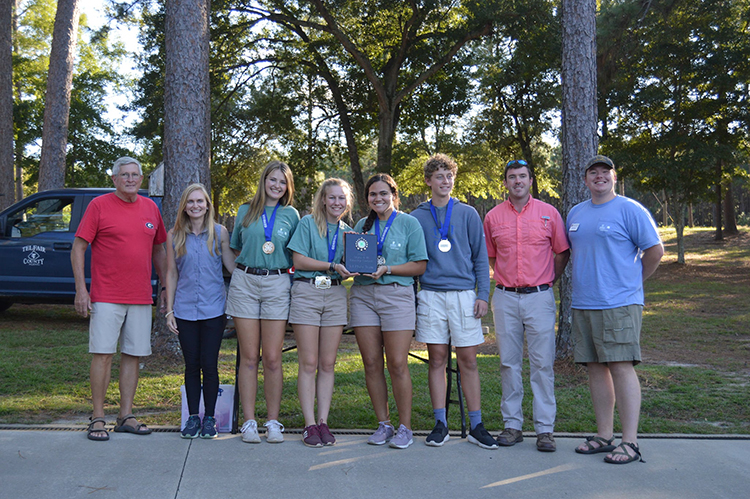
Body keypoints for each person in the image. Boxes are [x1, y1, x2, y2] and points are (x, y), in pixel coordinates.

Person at [568, 155, 663, 464]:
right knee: (595, 368)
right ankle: (605, 436)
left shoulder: (630, 209)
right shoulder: (575, 213)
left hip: (619, 304)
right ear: (585, 180)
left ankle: (630, 442)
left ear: (614, 177)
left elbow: (655, 250)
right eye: (593, 172)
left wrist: (632, 283)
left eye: (605, 172)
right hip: (584, 303)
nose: (599, 176)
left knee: (622, 367)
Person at [71, 156, 167, 441]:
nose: (130, 179)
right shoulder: (98, 206)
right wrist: (81, 289)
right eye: (124, 175)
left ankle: (126, 415)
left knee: (133, 355)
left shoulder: (150, 208)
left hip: (139, 296)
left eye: (135, 175)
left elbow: (159, 250)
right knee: (102, 354)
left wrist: (163, 288)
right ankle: (98, 417)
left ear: (141, 178)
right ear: (114, 179)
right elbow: (78, 248)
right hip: (106, 295)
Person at [410, 154, 496, 449]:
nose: (444, 181)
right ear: (428, 181)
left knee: (469, 360)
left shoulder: (468, 213)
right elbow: (412, 260)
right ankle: (440, 423)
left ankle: (476, 425)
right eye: (439, 176)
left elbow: (480, 258)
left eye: (449, 176)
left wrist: (482, 294)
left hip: (463, 296)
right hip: (431, 294)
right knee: (437, 360)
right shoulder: (417, 216)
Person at [484, 159, 570, 452]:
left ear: (530, 180)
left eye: (522, 176)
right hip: (506, 297)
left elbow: (561, 252)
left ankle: (545, 429)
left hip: (540, 297)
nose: (517, 181)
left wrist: (547, 281)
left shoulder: (549, 214)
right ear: (505, 182)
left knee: (542, 363)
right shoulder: (493, 217)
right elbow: (492, 257)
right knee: (509, 362)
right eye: (512, 177)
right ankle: (512, 425)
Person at [350, 174, 428, 450]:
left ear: (394, 195)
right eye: (373, 195)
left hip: (397, 295)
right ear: (367, 198)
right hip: (363, 295)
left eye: (383, 193)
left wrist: (389, 268)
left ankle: (405, 427)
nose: (378, 199)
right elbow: (356, 257)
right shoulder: (362, 225)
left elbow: (419, 265)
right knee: (371, 363)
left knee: (396, 363)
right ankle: (384, 424)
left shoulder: (409, 223)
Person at [226, 160, 299, 444]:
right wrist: (241, 274)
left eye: (282, 182)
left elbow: (296, 253)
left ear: (287, 186)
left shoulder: (291, 215)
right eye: (272, 180)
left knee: (271, 357)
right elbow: (235, 246)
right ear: (263, 180)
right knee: (247, 357)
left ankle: (272, 422)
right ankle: (248, 422)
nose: (277, 186)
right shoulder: (245, 210)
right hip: (245, 282)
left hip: (277, 283)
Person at [287, 178, 357, 447]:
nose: (337, 202)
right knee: (308, 363)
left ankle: (324, 421)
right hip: (307, 292)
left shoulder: (349, 232)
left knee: (328, 364)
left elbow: (351, 265)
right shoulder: (307, 223)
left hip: (336, 294)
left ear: (346, 202)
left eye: (342, 198)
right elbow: (299, 260)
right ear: (323, 200)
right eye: (332, 198)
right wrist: (331, 265)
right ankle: (309, 424)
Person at [164, 184, 236, 439]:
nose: (195, 206)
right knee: (192, 365)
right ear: (184, 206)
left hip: (214, 310)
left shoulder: (219, 233)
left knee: (210, 364)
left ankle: (210, 419)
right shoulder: (174, 235)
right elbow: (171, 273)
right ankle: (193, 417)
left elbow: (231, 266)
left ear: (207, 205)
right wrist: (170, 310)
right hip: (184, 311)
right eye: (190, 202)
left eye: (200, 201)